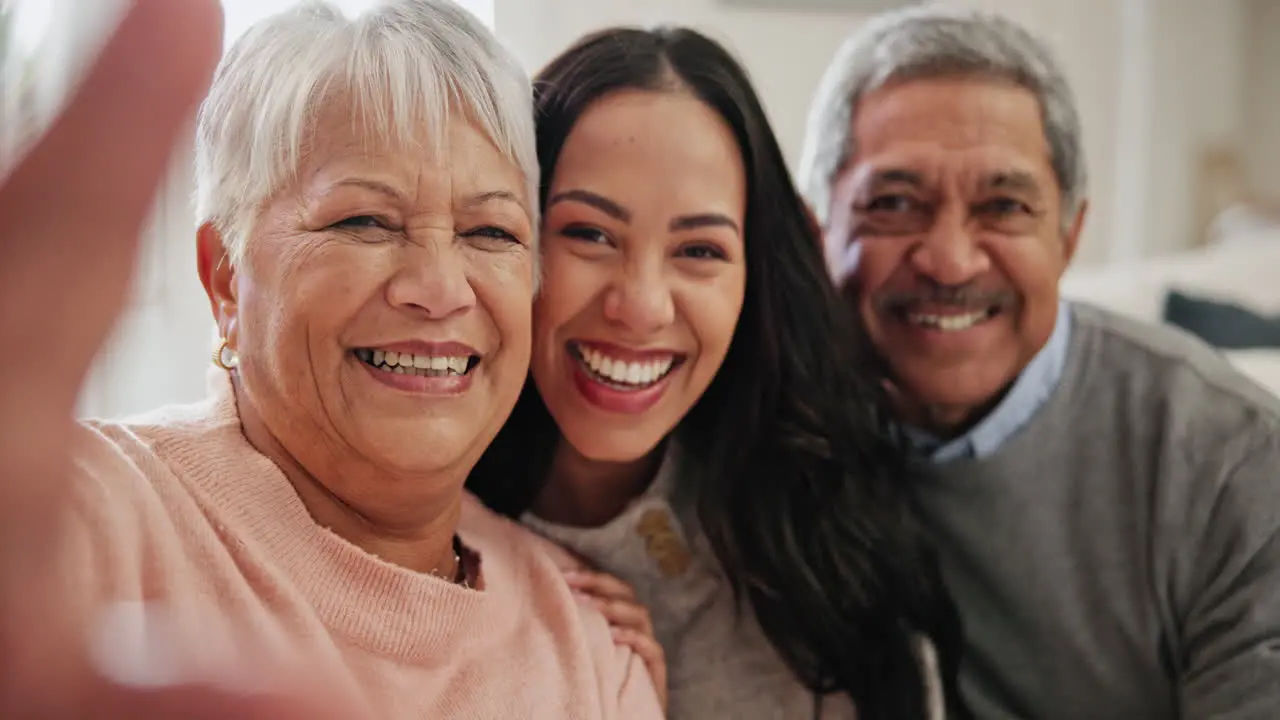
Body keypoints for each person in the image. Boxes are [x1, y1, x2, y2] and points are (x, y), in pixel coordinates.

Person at [0, 1, 664, 717]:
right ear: (226, 275)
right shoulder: (89, 518)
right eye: (364, 220)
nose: (439, 289)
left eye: (491, 231)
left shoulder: (593, 641)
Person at [467, 26, 968, 720]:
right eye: (589, 234)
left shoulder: (821, 529)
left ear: (754, 277)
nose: (640, 307)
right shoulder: (422, 524)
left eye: (699, 249)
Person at [798, 6, 1280, 719]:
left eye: (1004, 205)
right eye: (895, 203)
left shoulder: (1235, 467)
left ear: (1070, 234)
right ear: (817, 231)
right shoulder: (764, 432)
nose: (950, 260)